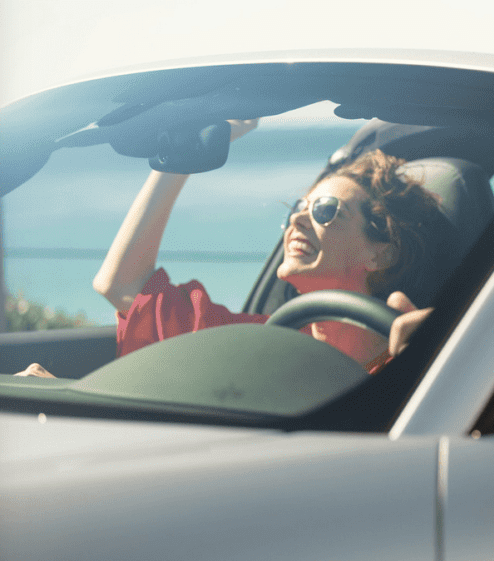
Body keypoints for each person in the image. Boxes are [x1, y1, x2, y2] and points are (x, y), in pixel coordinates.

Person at [92, 119, 457, 373]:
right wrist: (184, 155)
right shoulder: (259, 342)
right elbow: (121, 285)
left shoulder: (410, 359)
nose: (298, 220)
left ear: (381, 253)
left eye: (326, 211)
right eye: (298, 208)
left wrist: (449, 349)